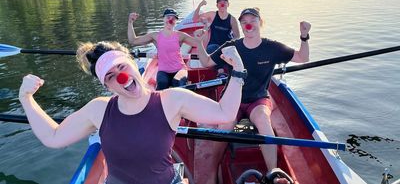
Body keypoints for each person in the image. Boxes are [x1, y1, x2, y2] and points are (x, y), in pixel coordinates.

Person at [18, 41, 245, 184]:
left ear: (134, 65)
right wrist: (26, 99)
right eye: (110, 76)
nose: (120, 77)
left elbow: (224, 113)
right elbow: (53, 137)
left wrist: (238, 72)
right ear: (107, 86)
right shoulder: (99, 109)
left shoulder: (172, 100)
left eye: (122, 67)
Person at [195, 8, 311, 184]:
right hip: (233, 98)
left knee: (264, 121)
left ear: (260, 22)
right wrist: (198, 42)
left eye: (252, 20)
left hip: (258, 100)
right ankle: (213, 169)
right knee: (225, 127)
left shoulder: (272, 47)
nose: (248, 24)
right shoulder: (231, 47)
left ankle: (272, 173)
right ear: (241, 26)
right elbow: (206, 62)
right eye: (244, 21)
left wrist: (304, 36)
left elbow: (303, 57)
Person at [127, 8, 198, 90]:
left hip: (180, 69)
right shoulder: (155, 36)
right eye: (168, 17)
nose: (170, 20)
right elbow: (133, 41)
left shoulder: (181, 35)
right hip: (164, 71)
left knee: (178, 83)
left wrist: (204, 30)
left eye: (173, 18)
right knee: (161, 84)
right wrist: (130, 22)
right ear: (163, 19)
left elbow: (197, 43)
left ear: (175, 21)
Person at [193, 0, 240, 77]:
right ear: (217, 5)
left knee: (231, 51)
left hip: (226, 46)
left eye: (225, 2)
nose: (222, 4)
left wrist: (230, 47)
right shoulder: (213, 15)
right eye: (220, 2)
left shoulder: (232, 19)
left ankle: (233, 71)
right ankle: (221, 71)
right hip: (213, 46)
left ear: (228, 4)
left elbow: (237, 37)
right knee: (211, 49)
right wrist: (200, 5)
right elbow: (195, 19)